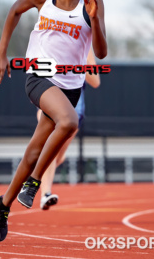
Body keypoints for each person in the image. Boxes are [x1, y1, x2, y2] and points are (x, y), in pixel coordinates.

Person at [0, 0, 107, 242]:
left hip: (71, 85)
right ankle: (33, 184)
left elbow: (102, 52)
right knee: (69, 122)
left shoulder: (92, 6)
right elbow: (15, 11)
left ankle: (3, 206)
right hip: (39, 76)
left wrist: (96, 21)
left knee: (33, 151)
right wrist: (2, 52)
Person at [39, 48, 100, 210]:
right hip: (52, 104)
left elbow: (95, 82)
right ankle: (45, 193)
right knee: (51, 149)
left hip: (75, 112)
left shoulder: (86, 48)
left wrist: (80, 60)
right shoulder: (49, 41)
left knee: (58, 157)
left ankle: (36, 177)